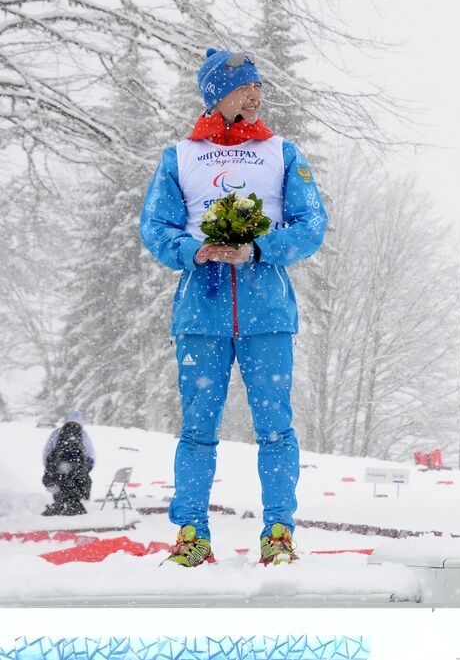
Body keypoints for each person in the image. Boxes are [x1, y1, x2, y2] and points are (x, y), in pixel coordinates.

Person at [140, 49, 326, 567]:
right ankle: (192, 535)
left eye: (258, 85)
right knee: (198, 429)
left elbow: (311, 223)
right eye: (244, 86)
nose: (255, 94)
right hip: (202, 310)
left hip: (267, 311)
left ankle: (279, 533)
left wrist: (260, 249)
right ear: (215, 94)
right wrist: (193, 251)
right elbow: (155, 226)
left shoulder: (282, 152)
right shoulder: (179, 156)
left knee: (276, 428)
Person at [40, 411, 95, 516]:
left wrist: (49, 467)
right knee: (74, 488)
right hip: (77, 469)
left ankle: (59, 505)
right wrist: (86, 468)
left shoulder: (56, 433)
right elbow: (90, 453)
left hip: (57, 468)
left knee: (59, 487)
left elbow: (47, 451)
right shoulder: (83, 435)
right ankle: (74, 507)